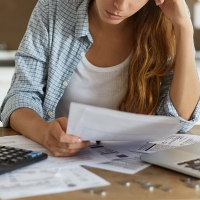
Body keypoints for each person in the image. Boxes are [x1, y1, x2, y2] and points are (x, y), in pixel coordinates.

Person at [1, 0, 200, 157]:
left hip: (133, 167)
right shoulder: (53, 8)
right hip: (61, 160)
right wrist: (45, 133)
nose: (120, 5)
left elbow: (180, 119)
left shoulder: (168, 19)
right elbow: (21, 96)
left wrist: (184, 27)